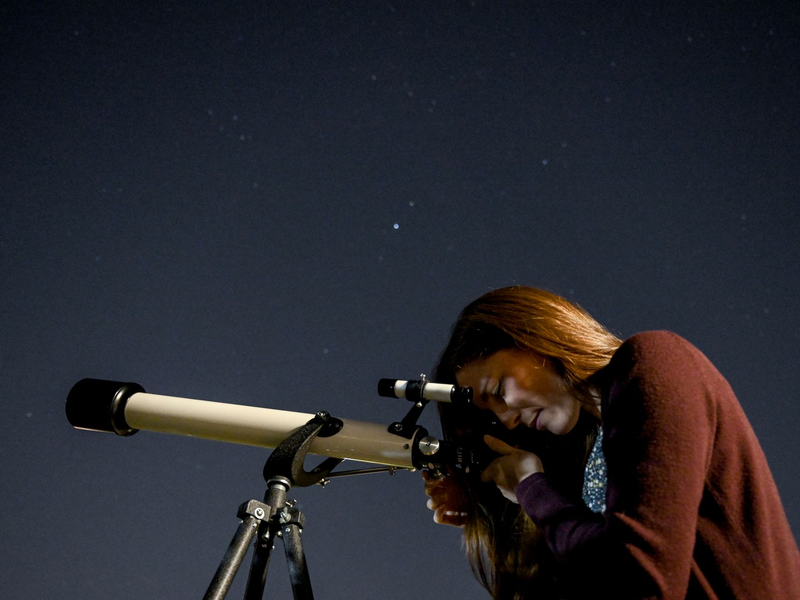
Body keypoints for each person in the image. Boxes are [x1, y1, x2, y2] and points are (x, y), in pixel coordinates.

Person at [424, 286, 800, 600]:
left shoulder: (654, 361)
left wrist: (531, 488)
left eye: (498, 390)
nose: (507, 419)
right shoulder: (601, 449)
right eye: (492, 414)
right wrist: (481, 500)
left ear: (535, 339)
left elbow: (640, 579)